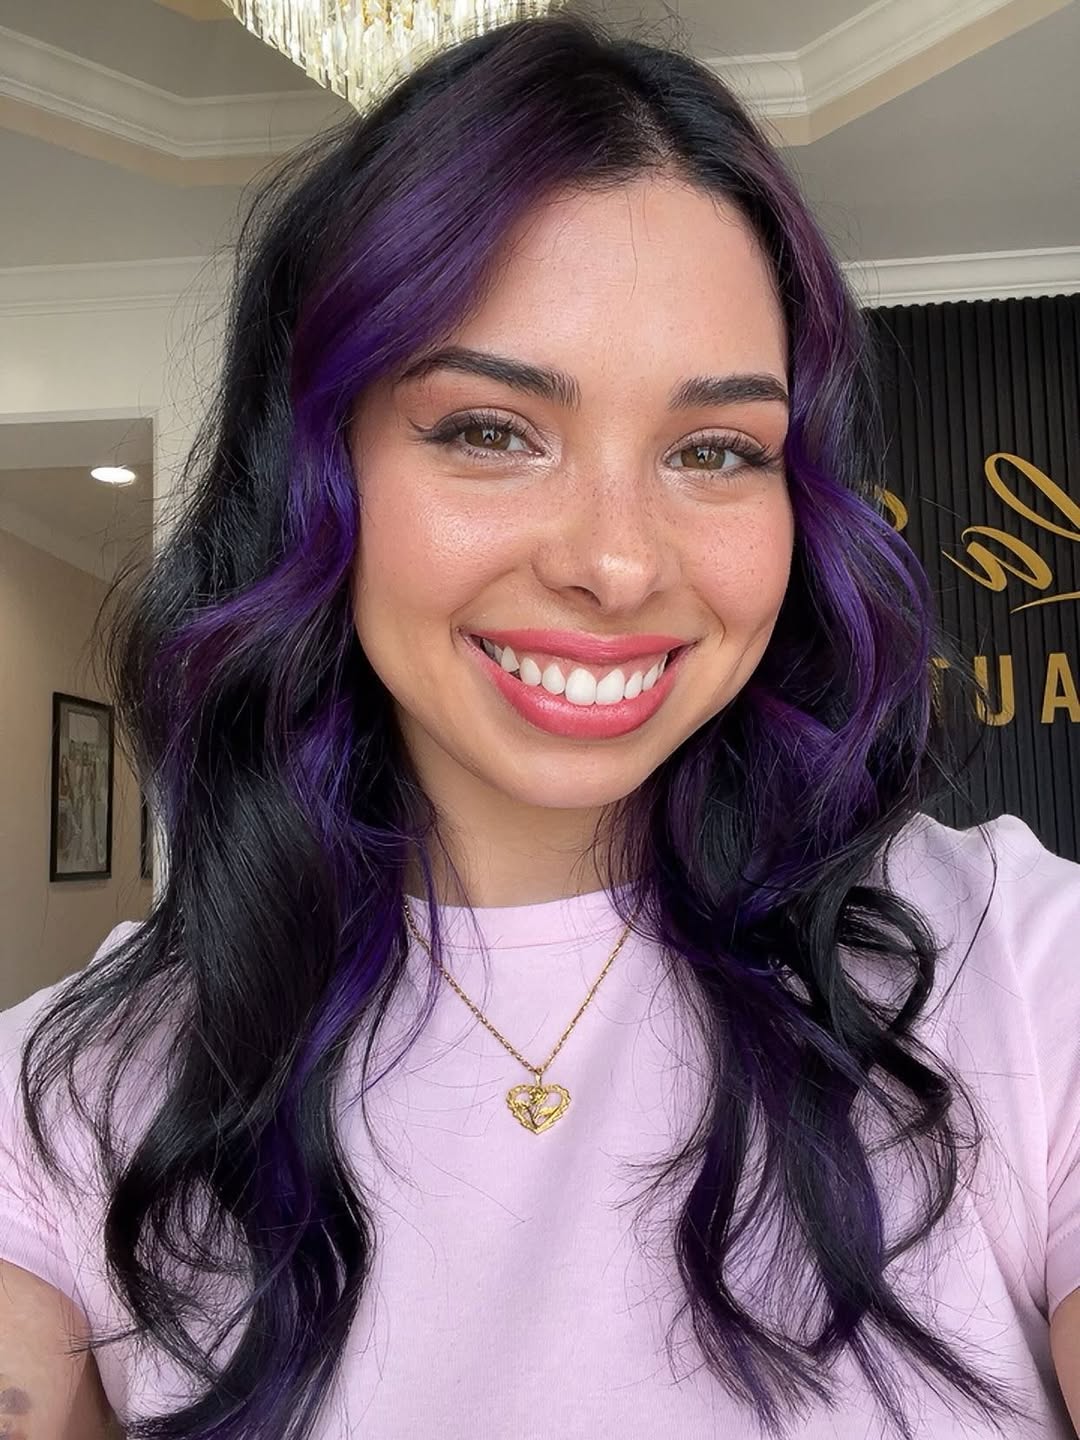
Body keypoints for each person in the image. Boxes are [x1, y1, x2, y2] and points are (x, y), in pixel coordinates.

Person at [0, 14, 1077, 1440]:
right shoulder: (79, 1093)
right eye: (490, 431)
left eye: (715, 450)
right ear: (314, 474)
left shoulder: (1015, 972)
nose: (618, 564)